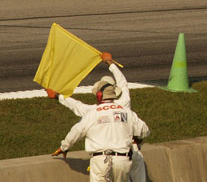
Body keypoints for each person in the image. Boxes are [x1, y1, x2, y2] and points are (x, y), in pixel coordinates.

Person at [47, 52, 147, 182]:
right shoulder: (124, 105)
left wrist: (57, 96)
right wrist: (110, 63)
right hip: (127, 155)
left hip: (101, 160)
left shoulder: (93, 112)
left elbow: (77, 109)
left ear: (99, 95)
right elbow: (123, 83)